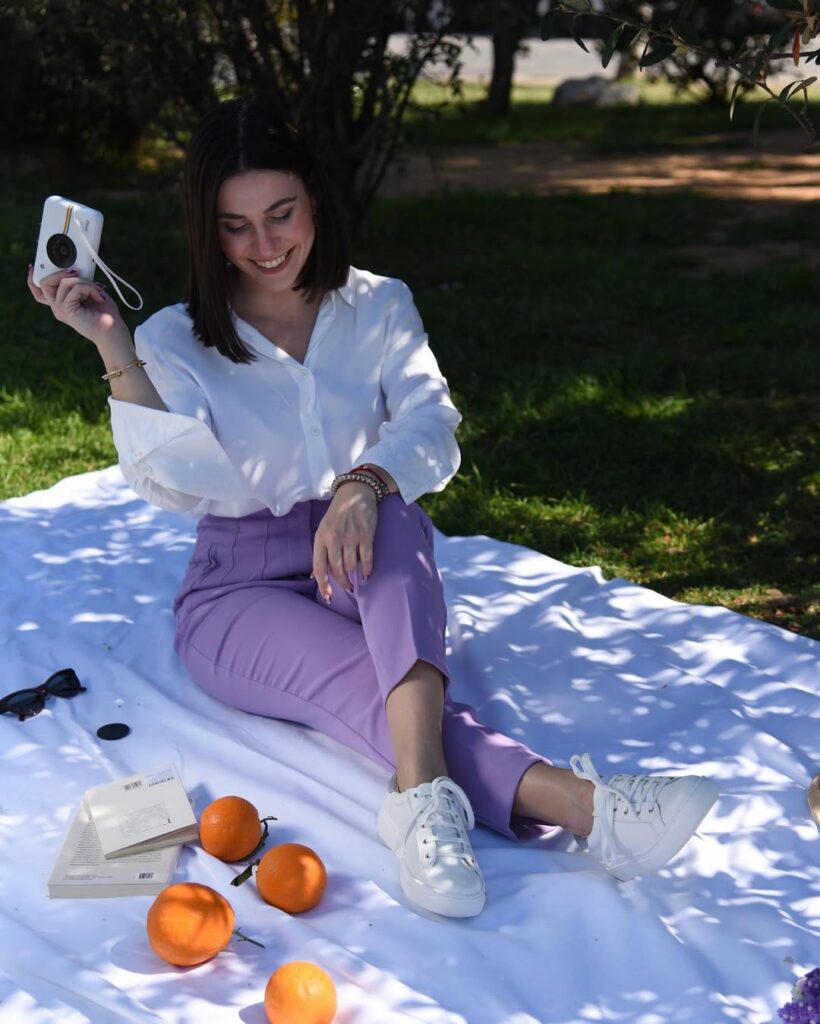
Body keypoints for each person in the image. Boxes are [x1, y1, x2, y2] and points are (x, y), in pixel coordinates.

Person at [28, 96, 718, 920]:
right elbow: (172, 486)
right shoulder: (177, 337)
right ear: (206, 230)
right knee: (384, 689)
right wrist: (112, 343)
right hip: (236, 592)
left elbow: (432, 423)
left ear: (315, 200)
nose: (265, 244)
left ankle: (428, 799)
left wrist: (363, 482)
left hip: (362, 552)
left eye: (281, 214)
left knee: (391, 511)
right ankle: (581, 808)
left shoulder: (381, 305)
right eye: (235, 226)